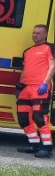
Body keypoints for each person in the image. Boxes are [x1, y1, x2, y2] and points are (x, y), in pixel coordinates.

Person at [16, 24, 55, 158]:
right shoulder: (27, 51)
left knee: (40, 118)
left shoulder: (50, 48)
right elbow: (25, 69)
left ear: (45, 35)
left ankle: (47, 148)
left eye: (38, 33)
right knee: (23, 119)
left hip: (40, 88)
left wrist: (45, 83)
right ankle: (34, 145)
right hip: (26, 88)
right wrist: (20, 85)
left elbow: (52, 66)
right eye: (33, 32)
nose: (35, 35)